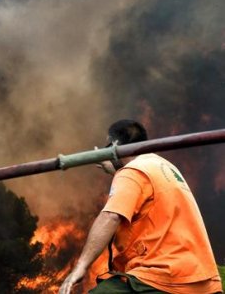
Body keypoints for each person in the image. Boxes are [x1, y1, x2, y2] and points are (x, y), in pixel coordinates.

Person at [59, 119, 222, 294]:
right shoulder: (163, 166)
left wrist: (80, 267)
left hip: (165, 277)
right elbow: (143, 188)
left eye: (108, 145)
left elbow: (111, 216)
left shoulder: (132, 172)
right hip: (202, 280)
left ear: (115, 144)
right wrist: (116, 170)